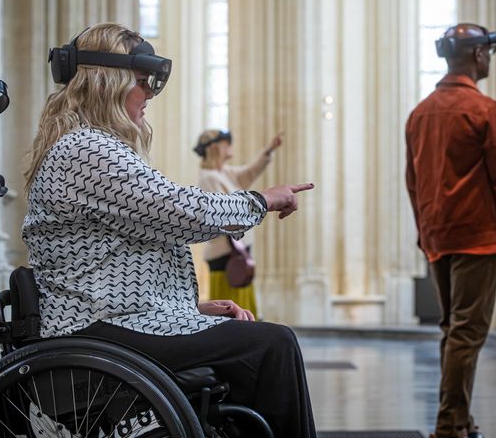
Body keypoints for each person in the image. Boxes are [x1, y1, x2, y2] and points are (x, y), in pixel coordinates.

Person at [22, 23, 317, 437]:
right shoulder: (85, 149)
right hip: (92, 331)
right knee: (273, 345)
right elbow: (178, 211)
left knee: (254, 343)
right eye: (141, 83)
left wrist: (186, 311)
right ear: (108, 83)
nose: (149, 95)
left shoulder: (90, 146)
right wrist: (259, 200)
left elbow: (115, 262)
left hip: (111, 320)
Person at [405, 23, 496, 438]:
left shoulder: (419, 114)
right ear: (478, 55)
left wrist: (424, 232)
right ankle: (449, 426)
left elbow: (413, 183)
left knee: (453, 330)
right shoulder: (485, 111)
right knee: (466, 333)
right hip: (477, 239)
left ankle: (460, 419)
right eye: (487, 54)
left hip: (438, 238)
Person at [195, 129, 282, 317]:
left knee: (243, 305)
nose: (231, 146)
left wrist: (269, 150)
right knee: (232, 311)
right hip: (226, 255)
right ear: (216, 148)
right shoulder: (209, 178)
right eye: (228, 143)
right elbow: (222, 215)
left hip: (237, 251)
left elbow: (250, 172)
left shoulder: (225, 173)